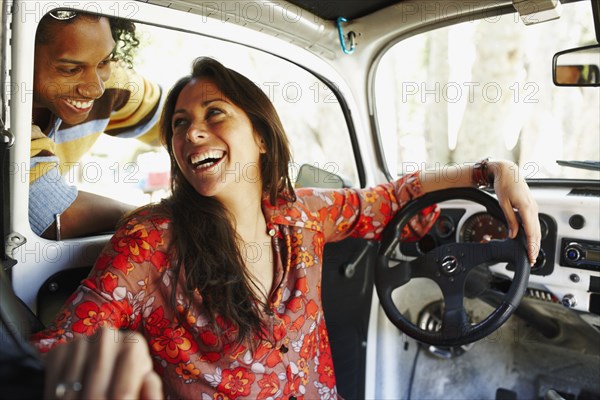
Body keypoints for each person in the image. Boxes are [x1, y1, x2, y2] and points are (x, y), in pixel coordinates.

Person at [31, 57, 541, 399]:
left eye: (214, 114)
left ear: (261, 137)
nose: (193, 133)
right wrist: (109, 365)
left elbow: (392, 199)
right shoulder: (151, 240)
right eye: (180, 124)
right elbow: (61, 349)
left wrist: (495, 173)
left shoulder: (302, 215)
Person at [30, 9, 163, 240]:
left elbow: (178, 123)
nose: (95, 88)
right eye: (71, 69)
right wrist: (157, 218)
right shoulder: (7, 114)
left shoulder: (112, 83)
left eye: (104, 61)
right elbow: (50, 215)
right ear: (15, 53)